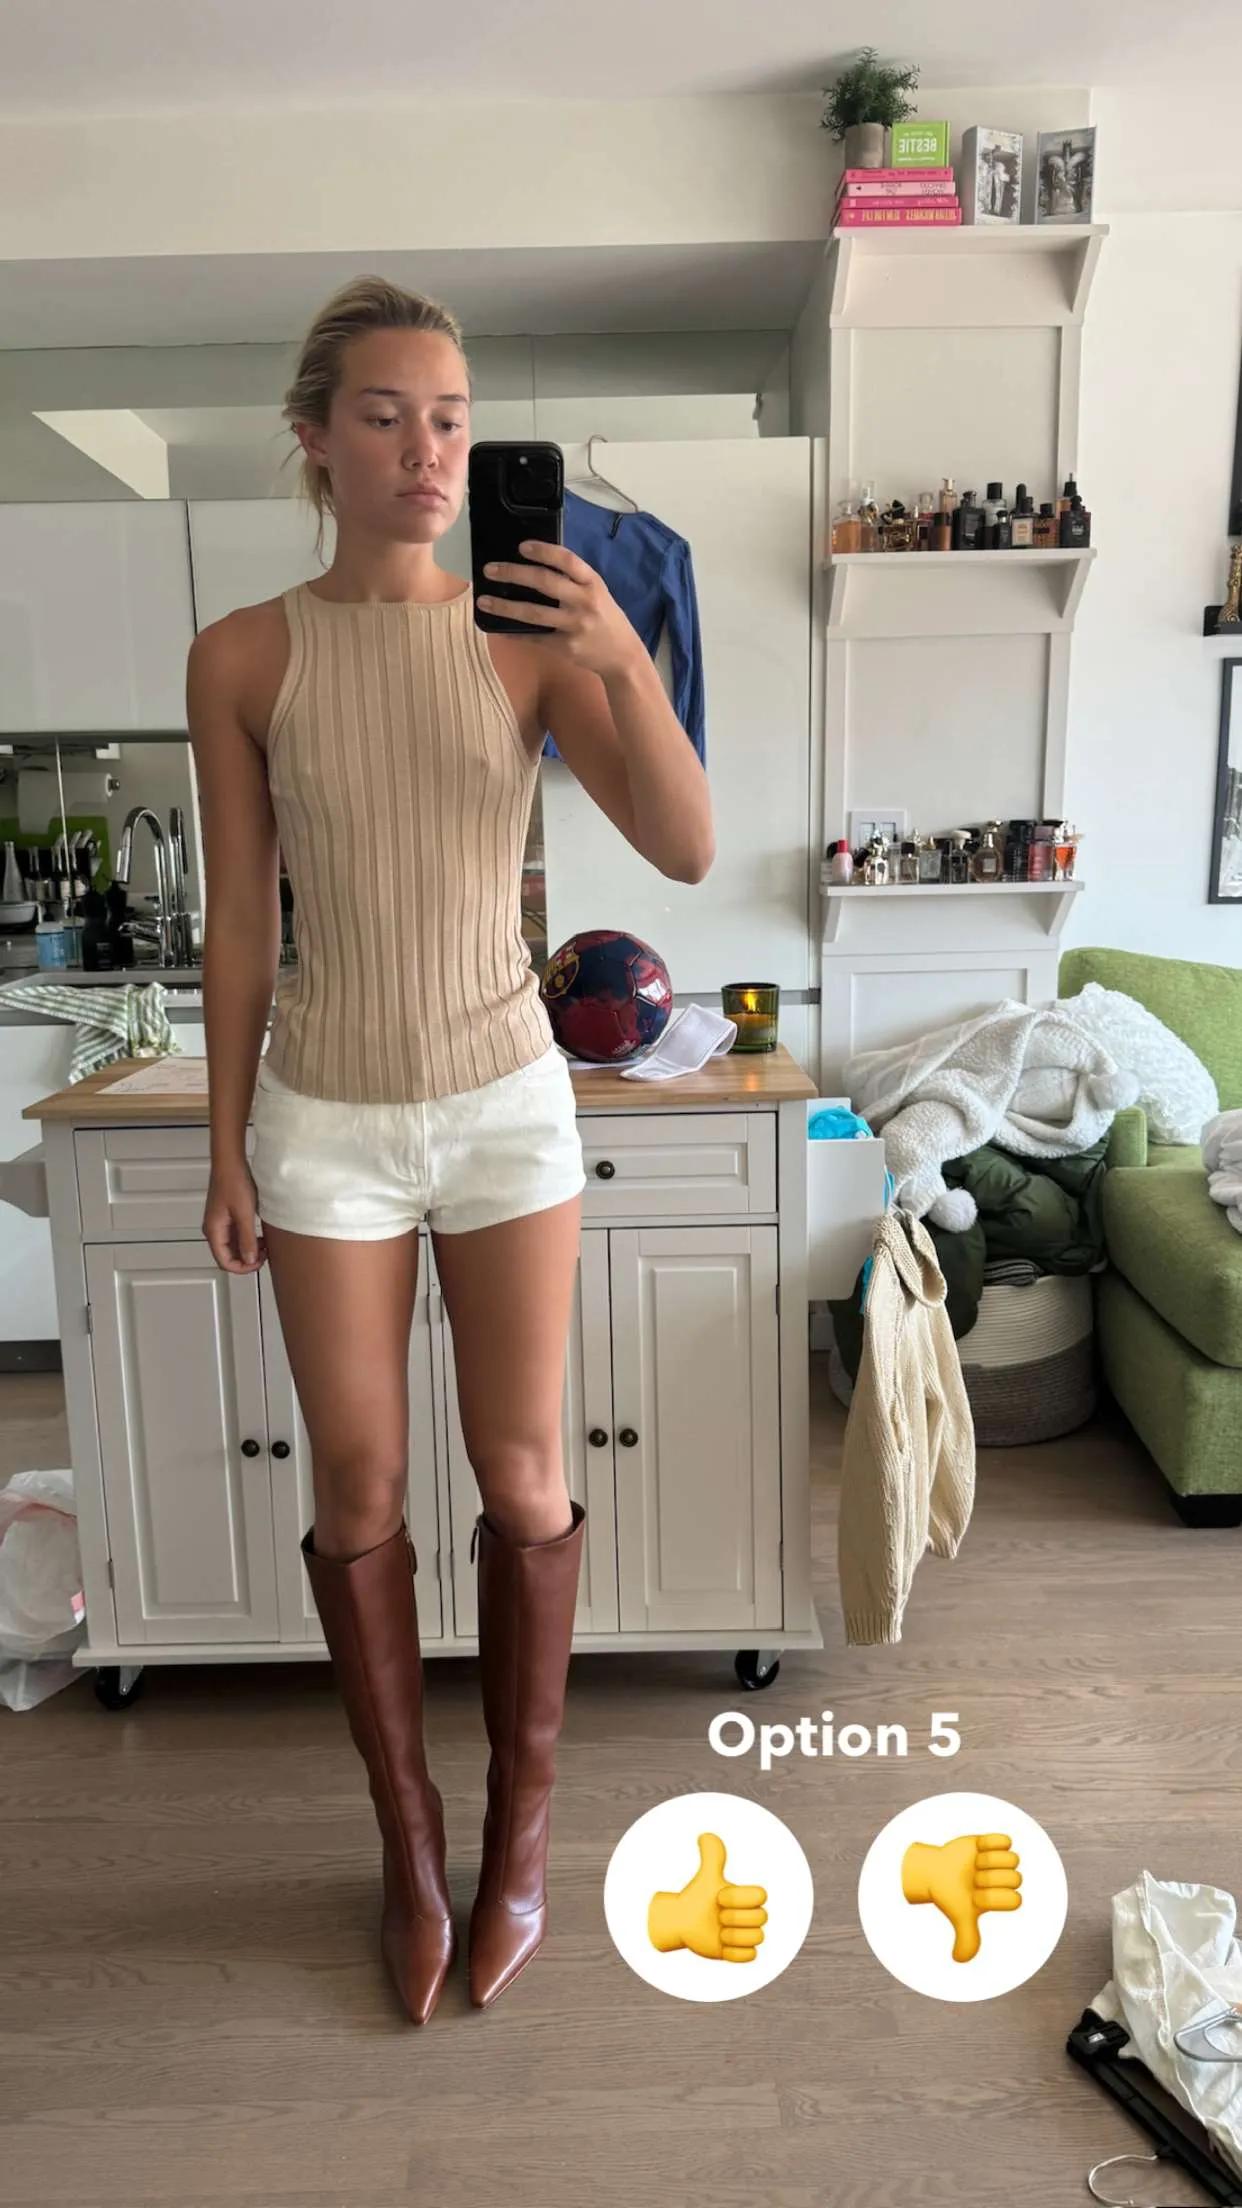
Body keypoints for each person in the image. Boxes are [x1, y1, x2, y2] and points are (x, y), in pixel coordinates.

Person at [186, 276, 714, 2025]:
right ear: (314, 439)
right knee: (355, 1491)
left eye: (452, 418)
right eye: (387, 415)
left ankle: (520, 1837)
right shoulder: (242, 655)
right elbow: (242, 925)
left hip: (504, 1108)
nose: (427, 450)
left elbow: (687, 847)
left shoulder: (531, 639)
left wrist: (617, 651)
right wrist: (224, 1147)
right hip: (322, 1119)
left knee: (521, 1474)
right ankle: (409, 1844)